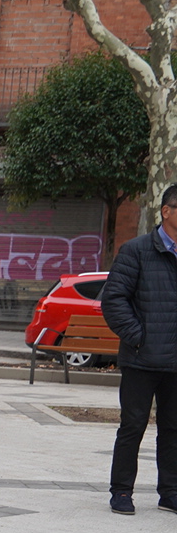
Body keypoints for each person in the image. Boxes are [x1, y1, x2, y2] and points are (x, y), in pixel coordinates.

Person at [99, 184, 177, 515]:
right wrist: (138, 337)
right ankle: (121, 491)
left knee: (173, 430)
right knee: (132, 427)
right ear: (166, 211)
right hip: (141, 359)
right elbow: (113, 299)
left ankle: (170, 492)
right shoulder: (136, 250)